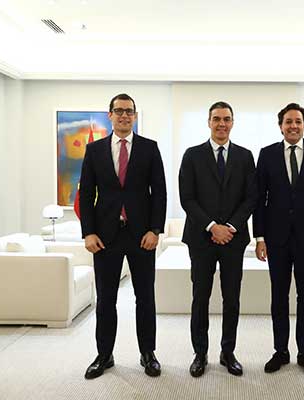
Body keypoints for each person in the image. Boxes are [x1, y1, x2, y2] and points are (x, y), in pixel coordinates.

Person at [79, 93, 167, 379]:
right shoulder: (94, 150)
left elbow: (160, 193)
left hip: (142, 236)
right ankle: (104, 355)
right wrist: (88, 232)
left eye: (129, 111)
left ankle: (148, 353)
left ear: (135, 116)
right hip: (105, 237)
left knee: (145, 298)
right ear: (110, 115)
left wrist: (155, 230)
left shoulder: (149, 148)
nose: (124, 116)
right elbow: (87, 194)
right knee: (106, 299)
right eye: (119, 111)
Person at [253, 103, 304, 377]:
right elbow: (259, 199)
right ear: (281, 126)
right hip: (275, 238)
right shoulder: (266, 154)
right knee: (279, 296)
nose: (293, 126)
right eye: (288, 121)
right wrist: (260, 237)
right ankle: (280, 351)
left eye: (298, 121)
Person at [178, 101, 256, 378]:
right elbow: (187, 197)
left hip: (234, 239)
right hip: (201, 238)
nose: (221, 123)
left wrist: (230, 227)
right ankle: (200, 353)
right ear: (208, 122)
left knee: (231, 298)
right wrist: (212, 227)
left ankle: (228, 352)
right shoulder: (192, 155)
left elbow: (251, 198)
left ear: (232, 122)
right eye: (216, 118)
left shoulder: (245, 156)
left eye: (226, 119)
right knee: (200, 297)